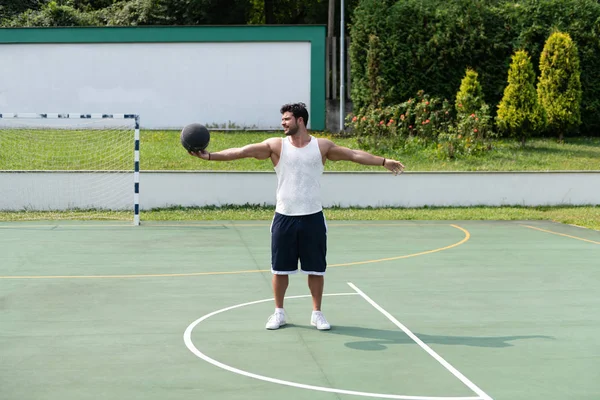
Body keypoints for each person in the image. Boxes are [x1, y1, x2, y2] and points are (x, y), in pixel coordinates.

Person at [188, 102, 405, 331]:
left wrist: (384, 161)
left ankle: (317, 313)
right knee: (280, 270)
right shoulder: (276, 146)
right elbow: (243, 151)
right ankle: (279, 312)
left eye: (287, 119)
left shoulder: (322, 146)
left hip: (312, 217)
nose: (283, 122)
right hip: (285, 217)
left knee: (316, 270)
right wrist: (210, 156)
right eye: (282, 119)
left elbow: (353, 154)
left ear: (300, 120)